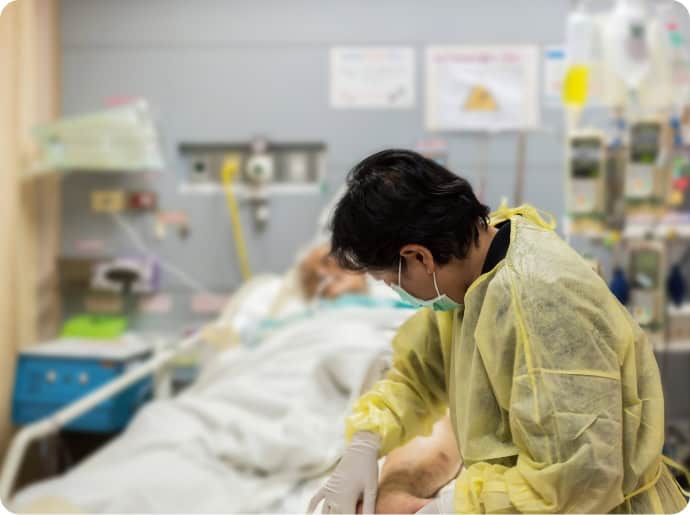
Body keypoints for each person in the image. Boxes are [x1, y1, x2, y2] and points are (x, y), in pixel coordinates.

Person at [308, 149, 689, 514]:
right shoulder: (470, 278)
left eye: (391, 280)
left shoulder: (544, 300)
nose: (397, 292)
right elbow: (419, 374)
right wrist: (366, 440)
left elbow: (580, 478)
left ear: (419, 257)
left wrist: (448, 507)